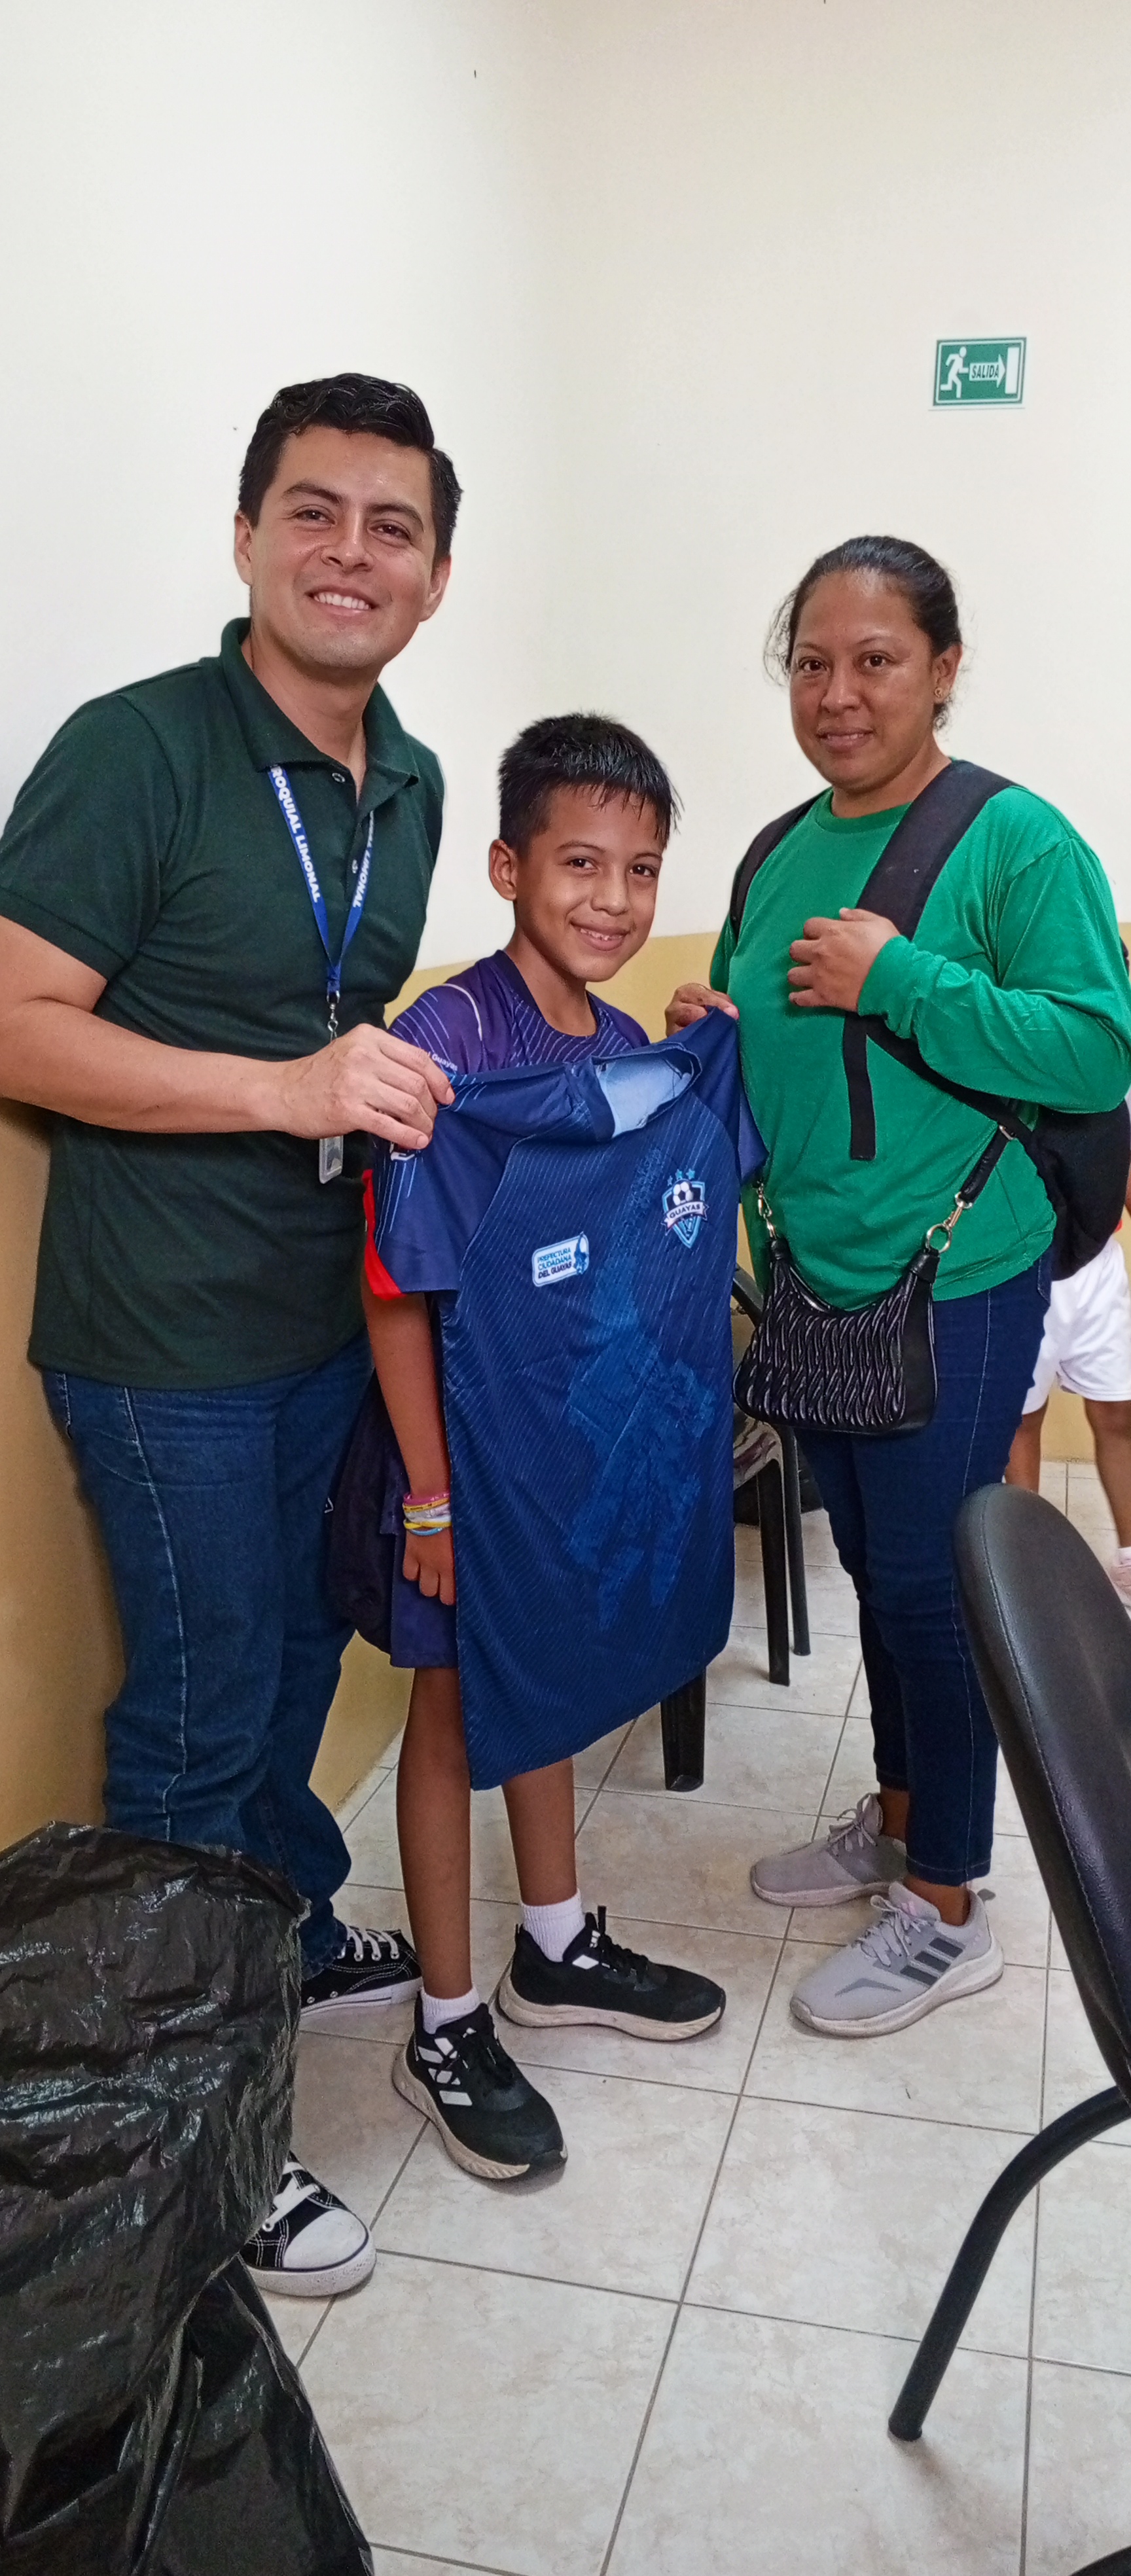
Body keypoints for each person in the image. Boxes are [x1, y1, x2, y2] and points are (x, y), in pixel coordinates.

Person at [0, 373, 463, 2296]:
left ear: (435, 573)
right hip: (162, 1339)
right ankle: (194, 2141)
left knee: (283, 1678)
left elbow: (358, 1026)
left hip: (317, 1328)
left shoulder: (411, 780)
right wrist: (281, 1093)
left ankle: (267, 1935)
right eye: (314, 512)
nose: (351, 553)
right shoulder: (137, 749)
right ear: (249, 534)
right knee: (197, 1719)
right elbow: (18, 1024)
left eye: (392, 525)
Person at [667, 533, 1131, 2037]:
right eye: (810, 662)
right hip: (819, 1282)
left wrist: (902, 980)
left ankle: (948, 1906)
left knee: (934, 1590)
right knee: (876, 1566)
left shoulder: (1013, 840)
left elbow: (1094, 1049)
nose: (836, 692)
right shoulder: (773, 850)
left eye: (874, 660)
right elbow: (783, 1051)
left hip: (959, 1274)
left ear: (942, 668)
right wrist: (711, 1027)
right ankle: (901, 1814)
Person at [360, 715, 727, 2180]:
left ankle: (556, 1944)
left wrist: (701, 1057)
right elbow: (393, 1287)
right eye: (581, 864)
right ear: (509, 868)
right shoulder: (444, 1044)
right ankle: (446, 2021)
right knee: (452, 1707)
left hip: (563, 1455)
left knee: (553, 1673)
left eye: (640, 872)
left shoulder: (628, 1049)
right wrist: (431, 1500)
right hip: (458, 1465)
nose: (613, 901)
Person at [1006, 1148, 1131, 1599]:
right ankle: (1028, 1569)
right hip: (1017, 1267)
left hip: (1097, 1261)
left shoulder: (1113, 1100)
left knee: (1119, 1411)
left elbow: (1122, 1158)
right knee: (1021, 1421)